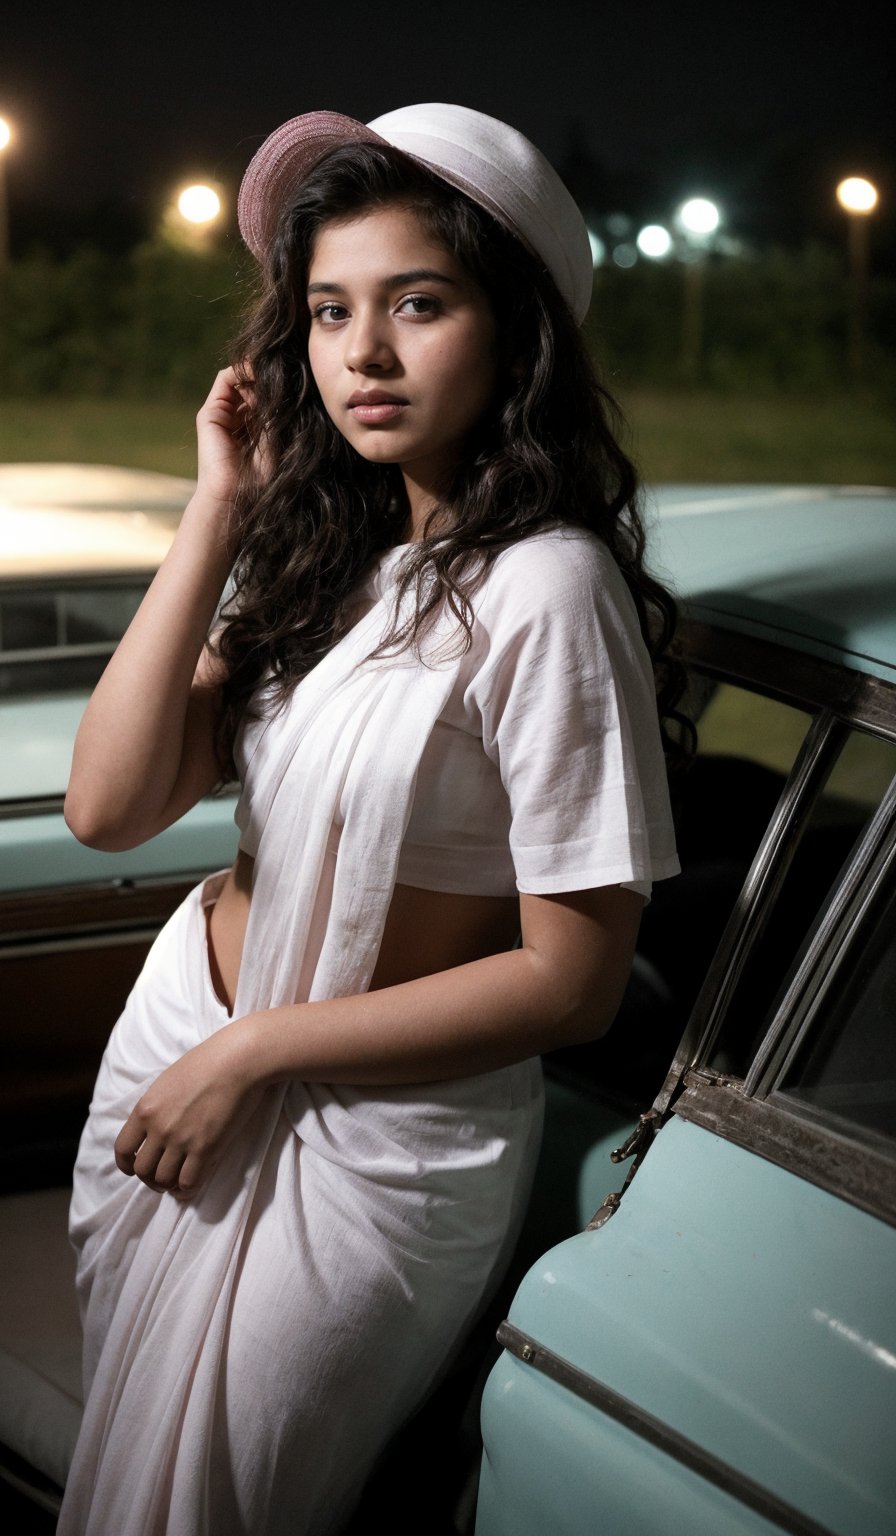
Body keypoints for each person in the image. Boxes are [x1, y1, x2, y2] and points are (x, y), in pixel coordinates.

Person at [58, 104, 682, 1536]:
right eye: (329, 310)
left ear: (513, 327)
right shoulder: (335, 559)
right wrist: (218, 507)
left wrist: (261, 1049)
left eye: (420, 302)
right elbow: (107, 804)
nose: (365, 354)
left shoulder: (550, 589)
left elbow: (572, 982)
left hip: (370, 1138)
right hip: (176, 1051)